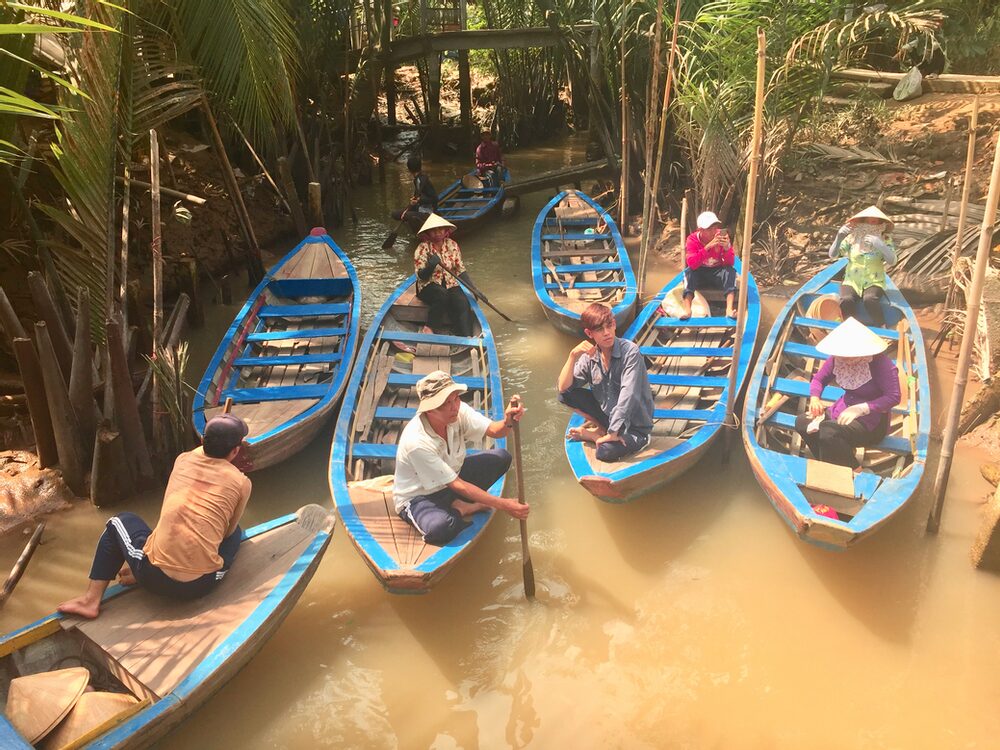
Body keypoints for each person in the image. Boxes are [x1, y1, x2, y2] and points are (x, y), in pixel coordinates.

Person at [57, 414, 253, 620]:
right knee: (235, 532)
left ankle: (91, 600)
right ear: (235, 451)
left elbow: (203, 453)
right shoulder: (242, 483)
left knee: (118, 521)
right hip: (200, 585)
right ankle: (156, 569)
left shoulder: (183, 460)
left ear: (202, 441)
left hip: (153, 577)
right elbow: (228, 532)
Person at [394, 371, 529, 546]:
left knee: (502, 458)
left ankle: (462, 504)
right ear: (429, 410)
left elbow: (495, 431)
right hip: (421, 496)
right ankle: (464, 507)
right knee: (440, 528)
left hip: (451, 480)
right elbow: (457, 484)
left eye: (455, 399)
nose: (454, 407)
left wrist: (508, 421)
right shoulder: (417, 441)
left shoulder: (459, 412)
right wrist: (504, 505)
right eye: (445, 404)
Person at [794, 317, 900, 471]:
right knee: (802, 422)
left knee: (828, 433)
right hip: (841, 410)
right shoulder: (838, 359)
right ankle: (830, 460)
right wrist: (815, 398)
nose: (845, 359)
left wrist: (863, 408)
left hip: (871, 421)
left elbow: (893, 397)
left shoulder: (882, 364)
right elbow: (818, 380)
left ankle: (854, 469)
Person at [557, 302, 655, 462]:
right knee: (565, 395)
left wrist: (613, 433)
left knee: (604, 452)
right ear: (589, 333)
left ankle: (599, 435)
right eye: (599, 329)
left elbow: (627, 395)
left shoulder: (630, 352)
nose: (607, 333)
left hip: (634, 426)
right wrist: (572, 356)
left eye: (609, 326)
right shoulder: (590, 357)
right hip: (609, 418)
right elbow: (563, 387)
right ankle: (600, 431)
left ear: (614, 324)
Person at [828, 205, 896, 327]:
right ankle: (849, 326)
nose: (872, 223)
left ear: (881, 222)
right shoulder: (852, 238)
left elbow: (892, 261)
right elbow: (833, 255)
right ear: (863, 220)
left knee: (870, 299)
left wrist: (881, 245)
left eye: (875, 221)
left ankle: (880, 325)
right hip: (851, 280)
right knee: (846, 299)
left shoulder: (885, 239)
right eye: (868, 220)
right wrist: (839, 237)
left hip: (874, 280)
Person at [414, 213, 475, 337]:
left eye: (440, 229)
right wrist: (431, 266)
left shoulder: (452, 245)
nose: (438, 233)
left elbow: (460, 269)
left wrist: (473, 289)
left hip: (450, 283)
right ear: (428, 233)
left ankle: (466, 335)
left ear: (445, 230)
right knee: (442, 295)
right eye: (434, 231)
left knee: (463, 301)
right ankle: (429, 327)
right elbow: (421, 276)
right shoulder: (423, 248)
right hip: (428, 286)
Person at [682, 211, 737, 320]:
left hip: (717, 272)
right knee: (689, 273)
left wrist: (727, 248)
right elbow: (692, 264)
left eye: (715, 227)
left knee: (730, 271)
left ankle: (729, 309)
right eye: (709, 229)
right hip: (699, 271)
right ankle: (688, 310)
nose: (713, 231)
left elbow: (729, 263)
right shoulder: (692, 240)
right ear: (700, 230)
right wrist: (708, 247)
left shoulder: (721, 236)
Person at [391, 155, 438, 231]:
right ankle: (414, 222)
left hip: (429, 212)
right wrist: (412, 203)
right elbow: (417, 196)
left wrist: (419, 200)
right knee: (395, 214)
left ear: (409, 169)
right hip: (420, 208)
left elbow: (435, 199)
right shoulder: (416, 180)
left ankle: (417, 225)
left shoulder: (423, 180)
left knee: (407, 215)